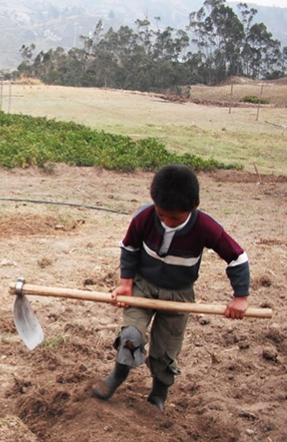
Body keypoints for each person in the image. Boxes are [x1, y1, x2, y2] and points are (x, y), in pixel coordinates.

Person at [93, 163, 250, 412]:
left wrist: (240, 297)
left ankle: (158, 394)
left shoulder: (206, 227)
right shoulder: (144, 217)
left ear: (193, 206)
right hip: (143, 288)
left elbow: (237, 258)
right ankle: (117, 376)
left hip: (179, 295)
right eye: (162, 214)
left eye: (174, 218)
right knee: (130, 337)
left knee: (165, 353)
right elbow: (130, 248)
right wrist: (125, 284)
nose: (166, 221)